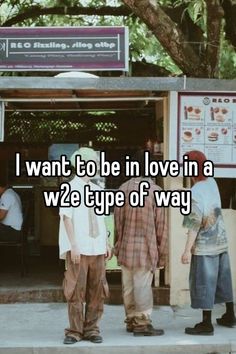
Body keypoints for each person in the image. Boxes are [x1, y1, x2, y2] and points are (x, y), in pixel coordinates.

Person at [59, 147, 112, 345]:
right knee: (75, 290)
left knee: (97, 290)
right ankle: (74, 330)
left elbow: (102, 220)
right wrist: (73, 245)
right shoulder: (69, 188)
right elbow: (66, 218)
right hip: (79, 249)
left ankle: (92, 329)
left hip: (97, 248)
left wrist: (106, 243)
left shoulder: (98, 190)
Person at [181, 150, 236, 335]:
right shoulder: (211, 182)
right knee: (223, 279)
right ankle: (230, 315)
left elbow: (193, 223)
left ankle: (206, 323)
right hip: (220, 240)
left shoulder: (195, 191)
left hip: (205, 245)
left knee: (204, 281)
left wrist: (187, 250)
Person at [114, 150, 168, 336]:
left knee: (128, 286)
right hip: (146, 249)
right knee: (142, 285)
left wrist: (117, 245)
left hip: (126, 247)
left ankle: (130, 319)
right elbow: (162, 227)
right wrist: (163, 254)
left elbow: (117, 223)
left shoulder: (122, 189)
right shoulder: (155, 192)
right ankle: (142, 323)